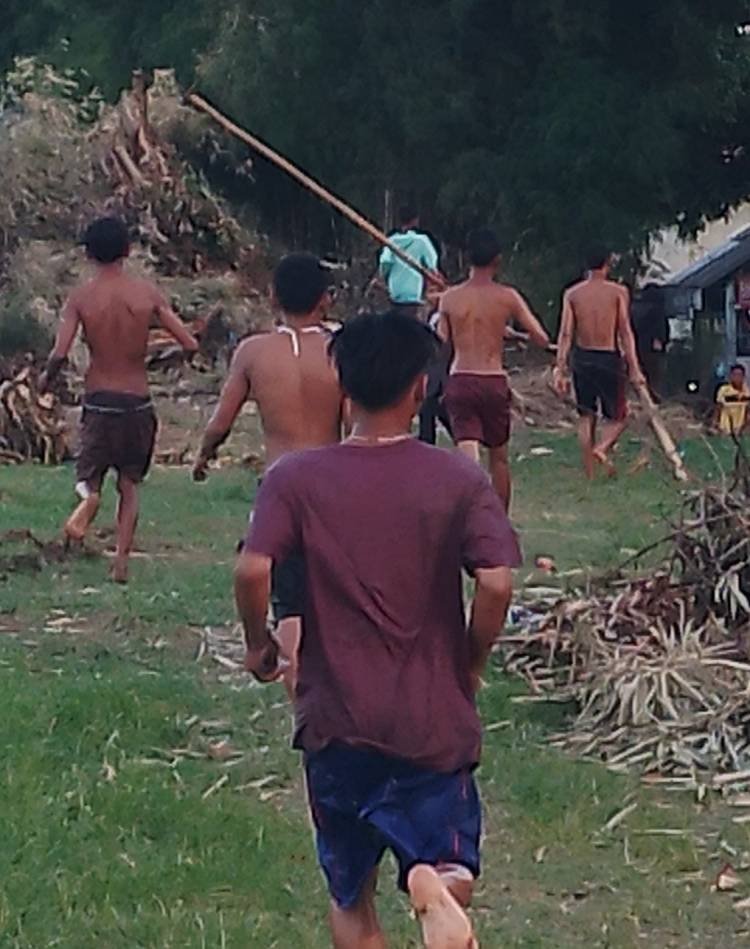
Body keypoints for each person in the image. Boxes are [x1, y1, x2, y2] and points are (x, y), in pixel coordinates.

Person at [235, 312, 520, 949]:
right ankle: (435, 880)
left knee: (350, 892)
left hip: (337, 723)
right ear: (423, 388)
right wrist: (470, 663)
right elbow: (497, 582)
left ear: (345, 387)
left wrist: (260, 644)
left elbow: (254, 568)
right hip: (430, 724)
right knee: (452, 862)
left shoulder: (296, 479)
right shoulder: (458, 479)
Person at [193, 253, 345, 694]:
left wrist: (204, 455)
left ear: (273, 296)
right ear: (325, 299)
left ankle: (298, 688)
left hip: (281, 484)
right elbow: (358, 419)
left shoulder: (254, 352)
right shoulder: (341, 349)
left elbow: (221, 420)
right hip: (334, 478)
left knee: (289, 597)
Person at [40, 216, 199, 583]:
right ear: (127, 251)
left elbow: (60, 352)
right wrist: (153, 351)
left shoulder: (81, 298)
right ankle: (121, 562)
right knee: (129, 484)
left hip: (98, 400)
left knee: (88, 477)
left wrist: (46, 383)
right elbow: (189, 343)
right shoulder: (147, 294)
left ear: (88, 254)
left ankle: (89, 500)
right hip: (137, 401)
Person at [438, 228, 551, 509]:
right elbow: (541, 337)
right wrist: (507, 330)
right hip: (493, 380)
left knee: (467, 453)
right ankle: (499, 519)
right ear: (497, 260)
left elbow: (440, 340)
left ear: (468, 259)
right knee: (498, 457)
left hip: (461, 378)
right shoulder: (507, 297)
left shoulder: (449, 298)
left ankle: (468, 514)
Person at [554, 248, 646, 479]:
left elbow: (566, 333)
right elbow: (625, 332)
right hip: (608, 357)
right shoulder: (618, 292)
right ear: (607, 264)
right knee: (618, 417)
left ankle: (590, 473)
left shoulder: (572, 294)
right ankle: (602, 448)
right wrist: (634, 368)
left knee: (586, 416)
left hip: (582, 357)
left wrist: (561, 367)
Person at [378, 206, 441, 319]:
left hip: (395, 290)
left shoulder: (392, 241)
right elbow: (432, 264)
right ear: (416, 221)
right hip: (413, 292)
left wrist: (384, 276)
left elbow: (385, 262)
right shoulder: (422, 241)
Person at [631, 283, 669, 399]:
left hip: (635, 348)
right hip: (653, 348)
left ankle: (640, 398)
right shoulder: (657, 309)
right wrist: (662, 341)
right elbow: (661, 329)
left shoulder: (634, 308)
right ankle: (653, 399)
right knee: (654, 378)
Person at [715, 364, 750, 435]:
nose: (737, 377)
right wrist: (715, 423)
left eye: (739, 375)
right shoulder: (724, 390)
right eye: (734, 375)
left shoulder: (747, 392)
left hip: (740, 429)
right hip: (725, 428)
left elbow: (748, 411)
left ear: (743, 376)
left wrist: (745, 427)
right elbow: (718, 408)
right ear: (731, 376)